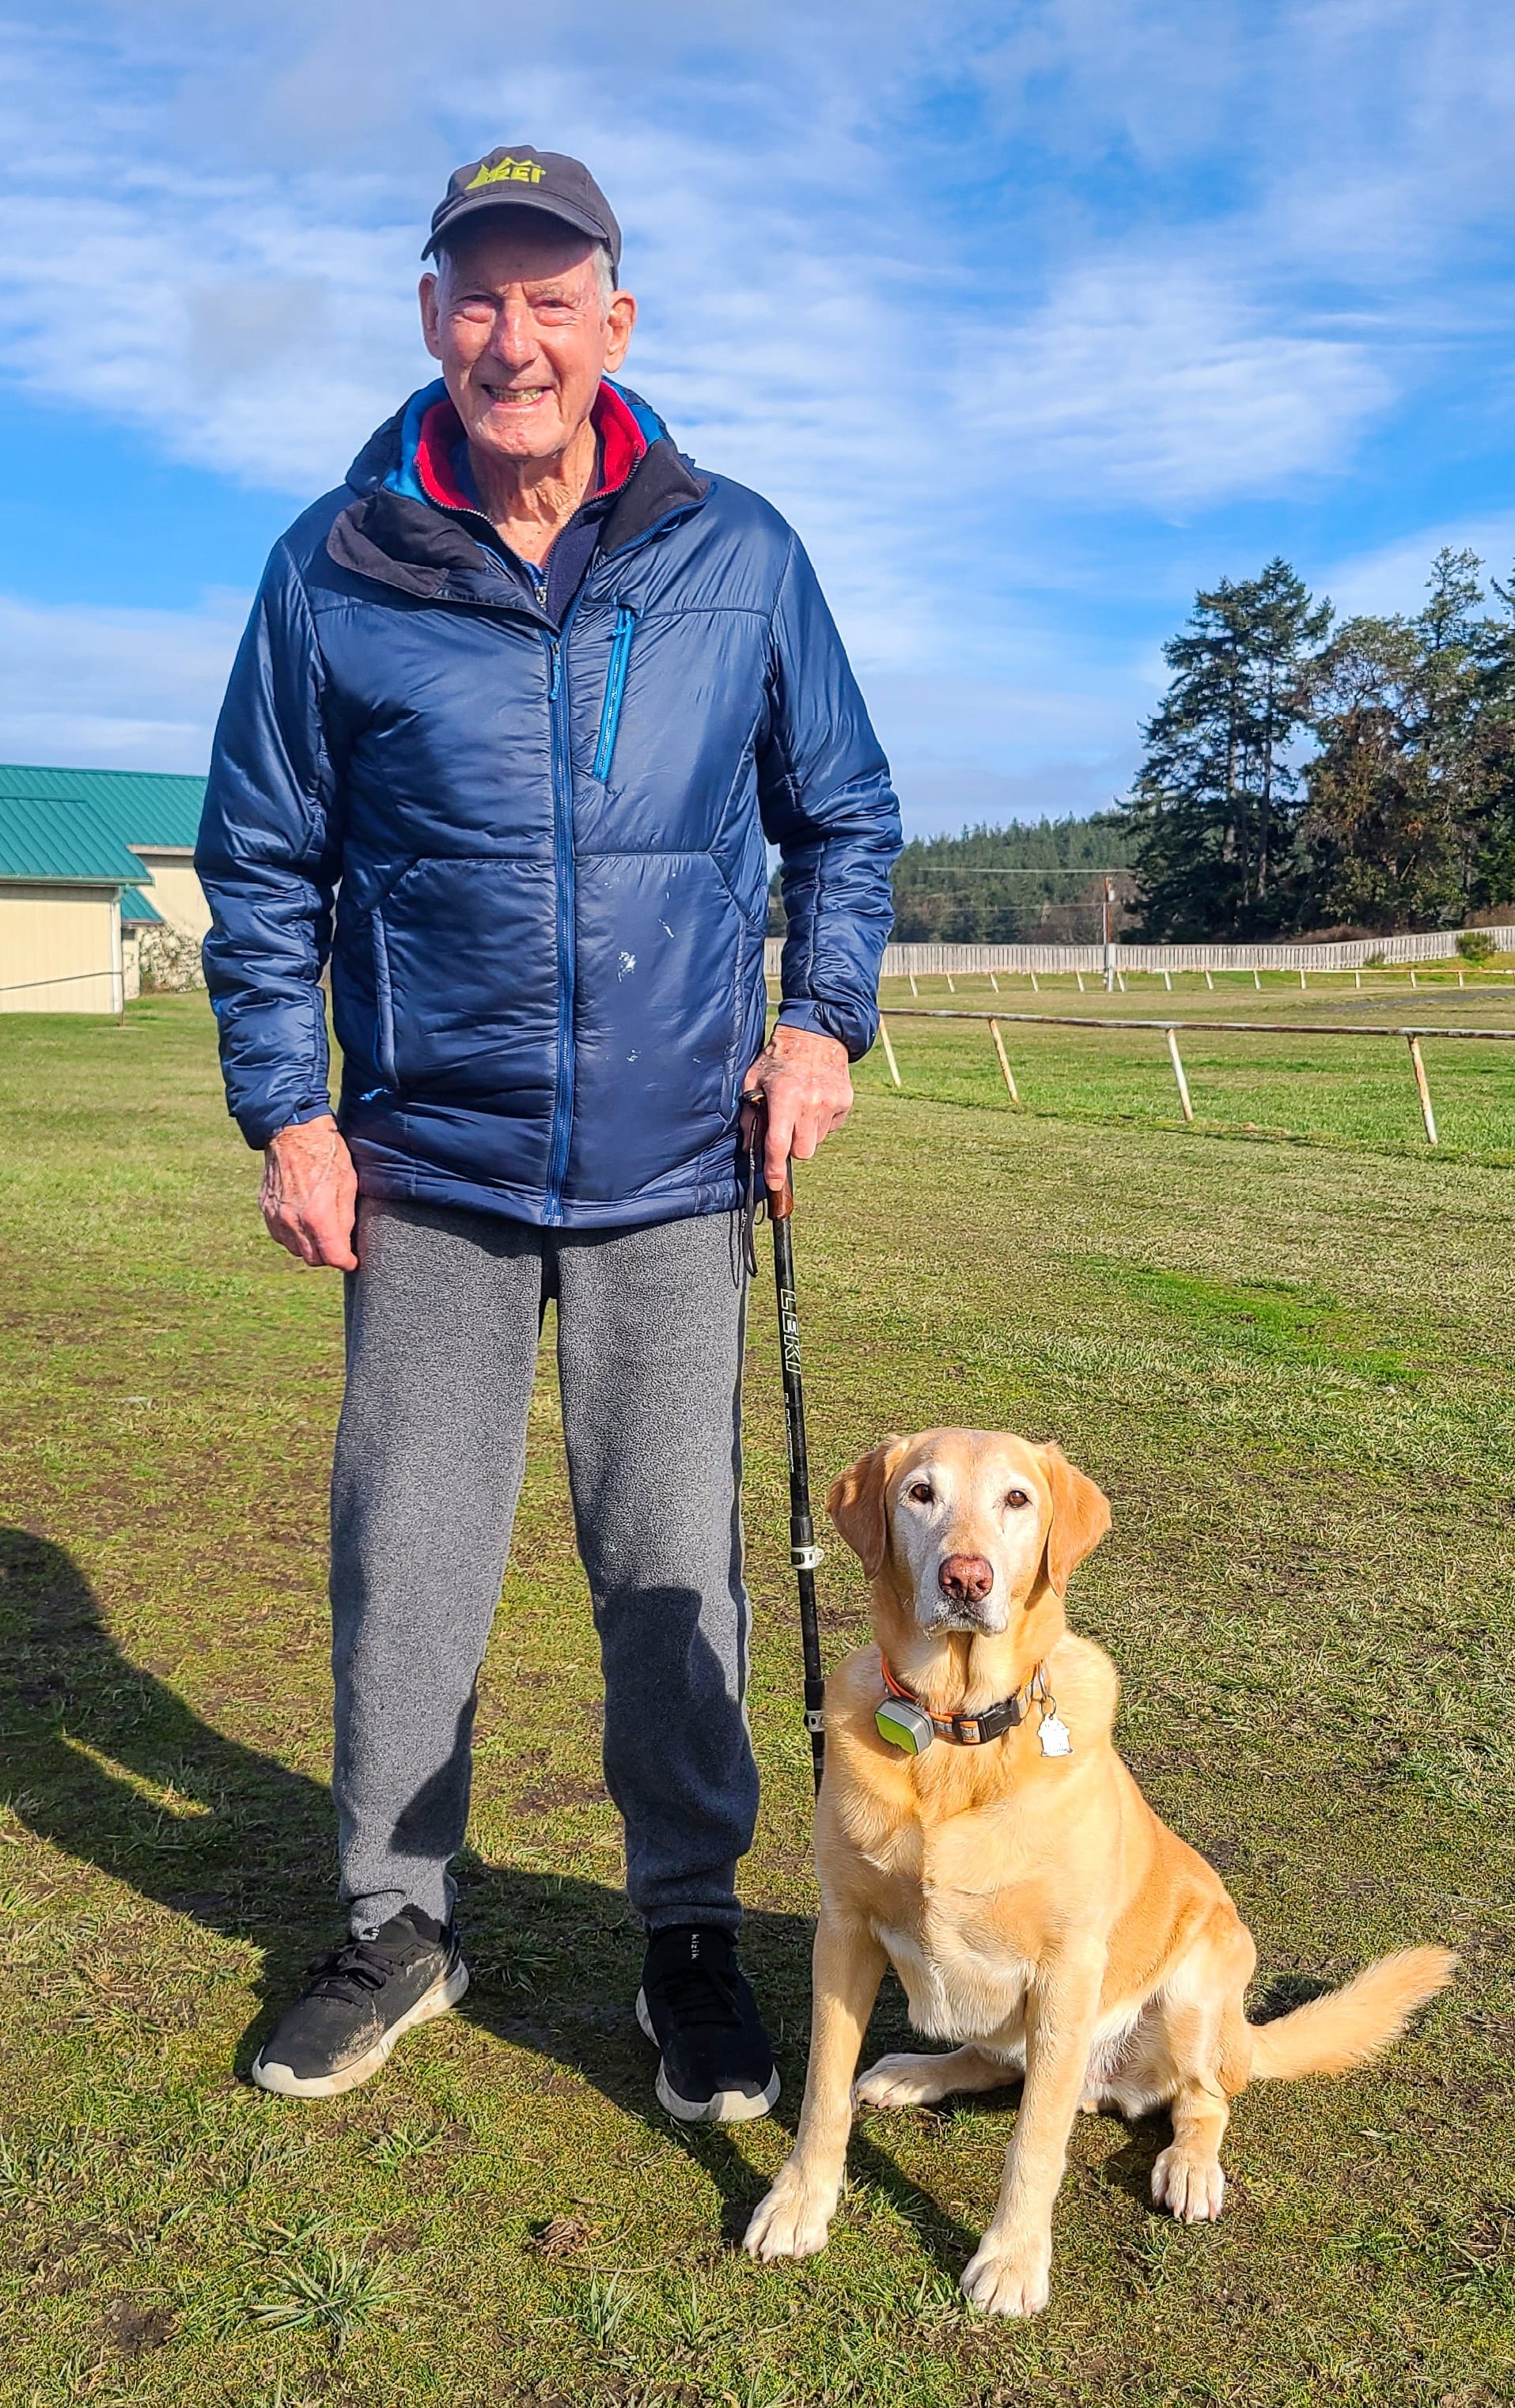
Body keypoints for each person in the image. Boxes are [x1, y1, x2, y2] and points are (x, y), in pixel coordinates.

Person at [196, 144, 900, 2119]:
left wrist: (820, 1022)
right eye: (480, 296)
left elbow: (844, 813)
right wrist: (291, 1109)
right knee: (403, 1558)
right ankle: (396, 1921)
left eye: (554, 294)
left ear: (618, 320)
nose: (518, 336)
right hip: (429, 1162)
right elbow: (260, 860)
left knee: (673, 1562)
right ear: (434, 316)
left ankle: (690, 1934)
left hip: (683, 1160)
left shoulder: (738, 553)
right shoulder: (331, 567)